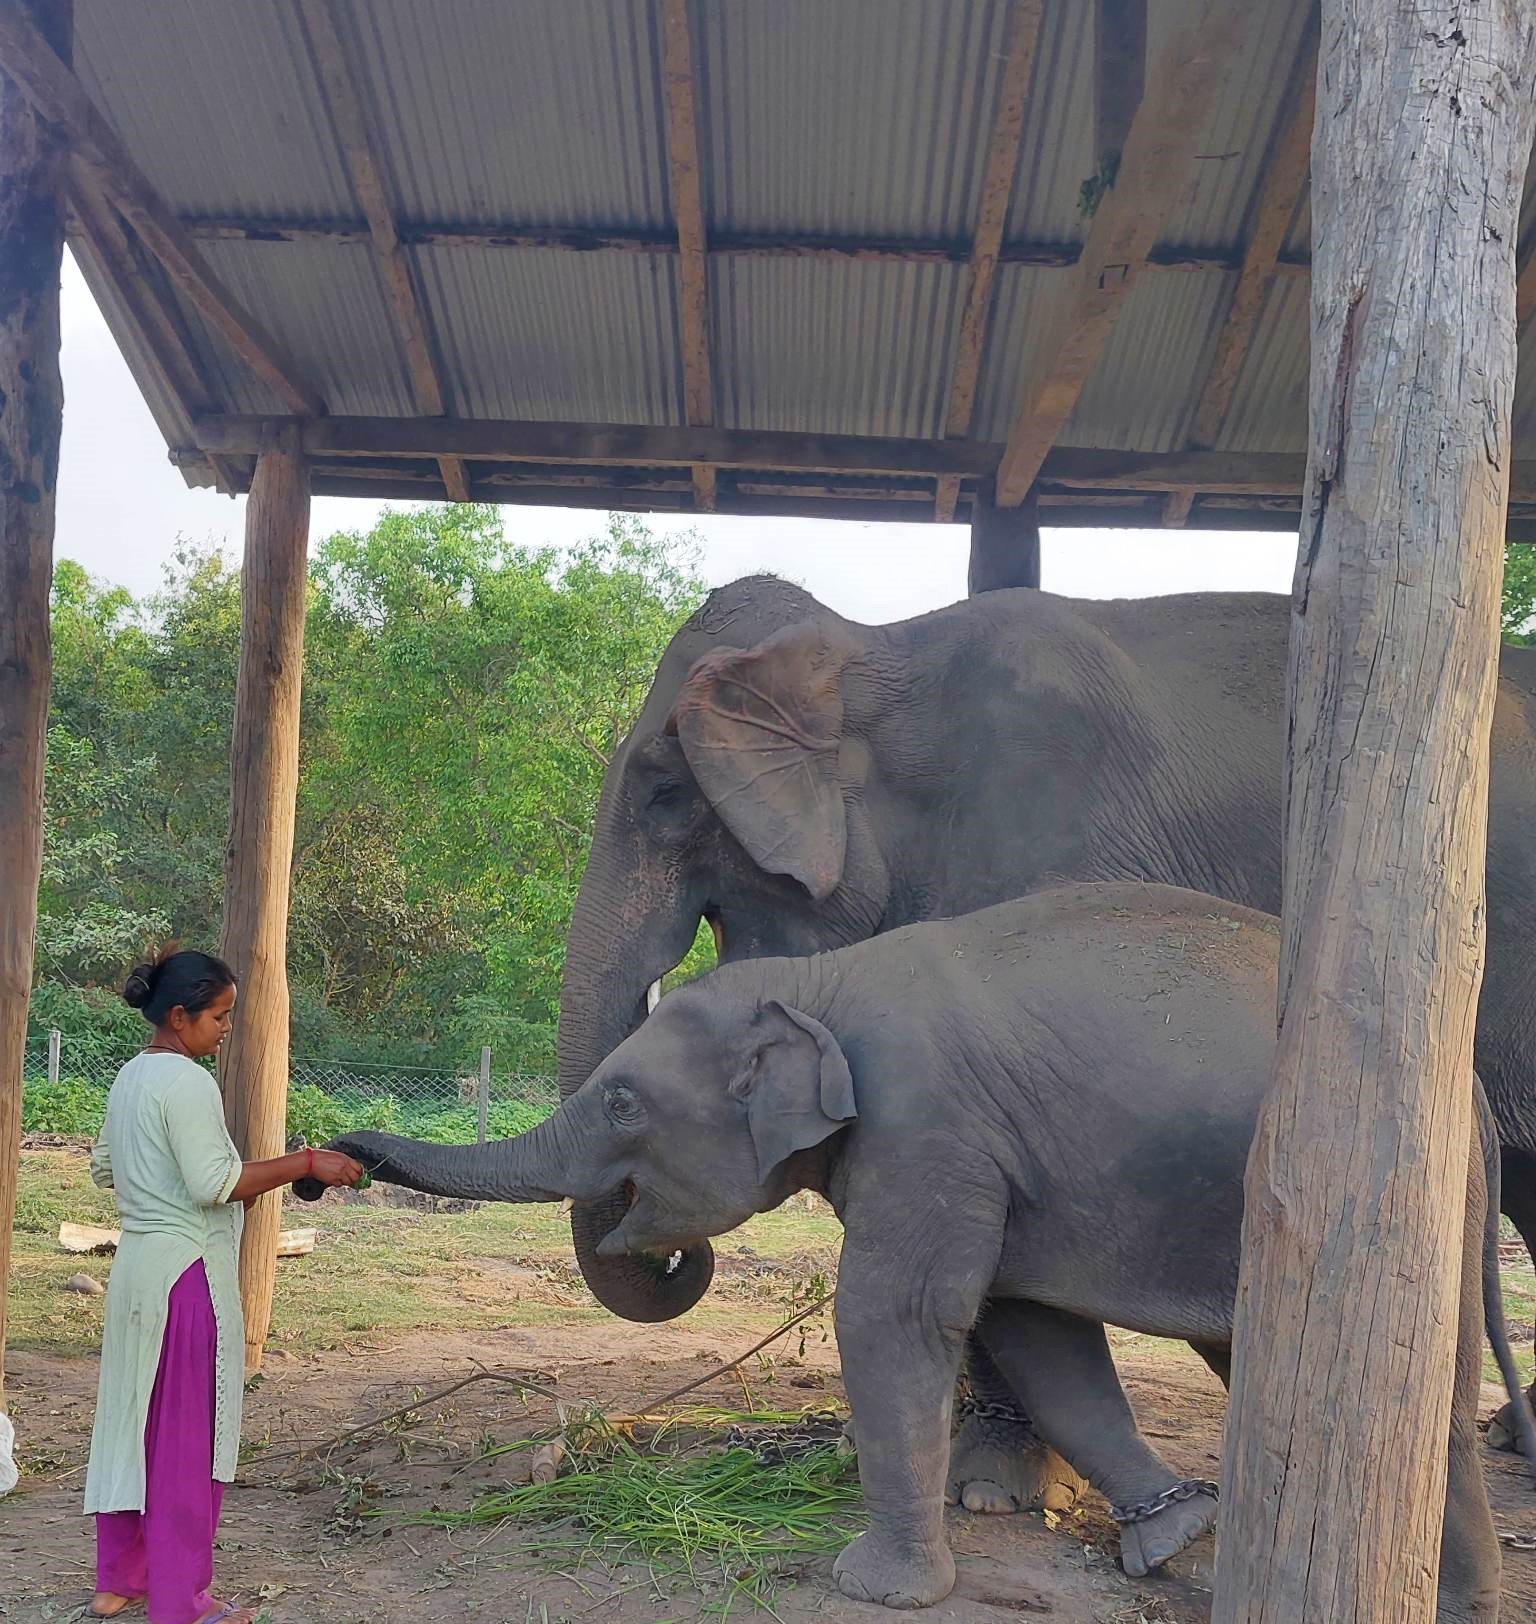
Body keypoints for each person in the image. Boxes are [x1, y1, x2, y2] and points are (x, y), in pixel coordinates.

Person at [83, 946, 364, 1624]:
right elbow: (216, 1184)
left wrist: (155, 1187)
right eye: (219, 1016)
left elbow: (102, 1168)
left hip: (137, 1274)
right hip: (184, 1279)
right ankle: (183, 1601)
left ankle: (119, 1579)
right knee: (183, 1442)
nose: (226, 1028)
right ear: (179, 1017)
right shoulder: (186, 1083)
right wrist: (306, 1161)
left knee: (131, 1427)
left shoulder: (130, 1078)